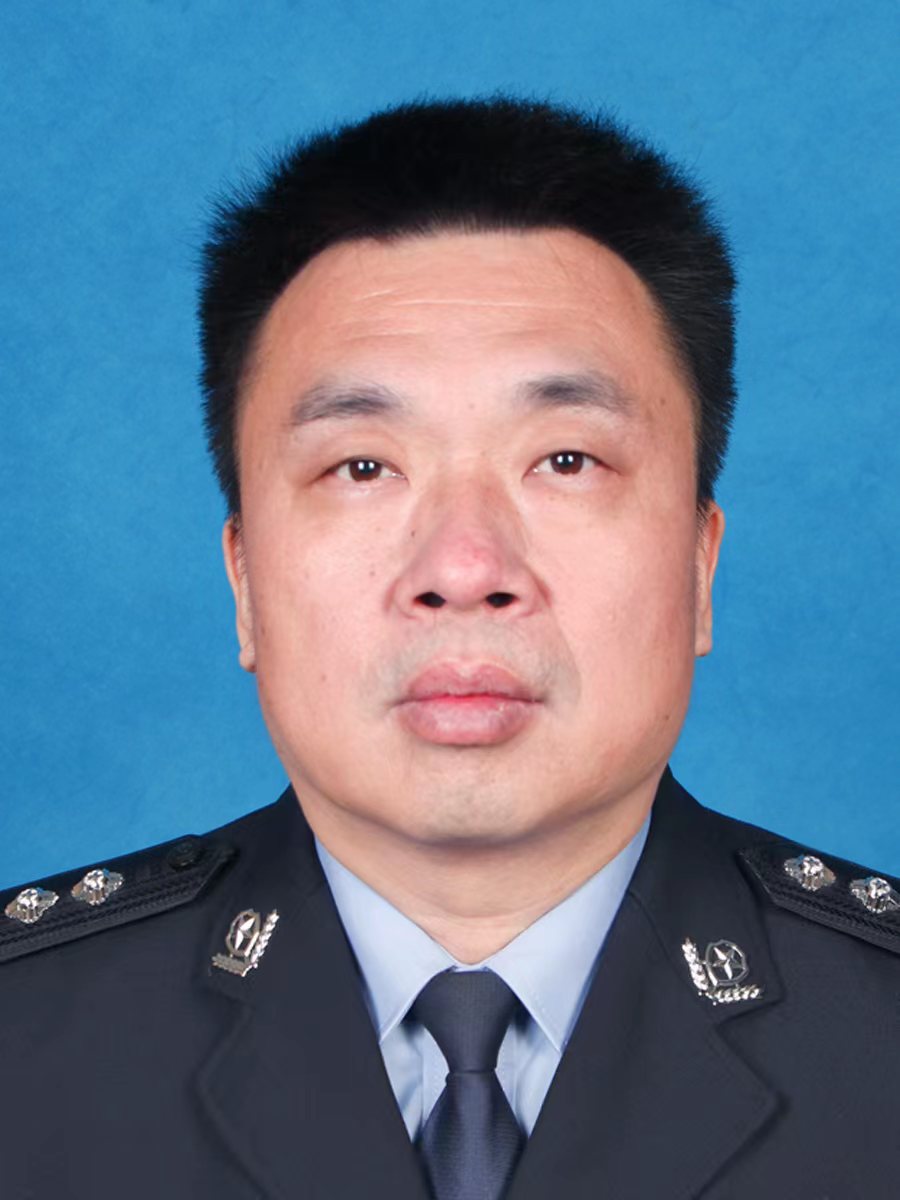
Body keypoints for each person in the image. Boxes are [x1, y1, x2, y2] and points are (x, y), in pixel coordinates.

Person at [2, 96, 898, 1199]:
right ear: (244, 583)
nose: (465, 567)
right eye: (363, 467)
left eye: (566, 460)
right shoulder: (25, 1042)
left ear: (699, 567)